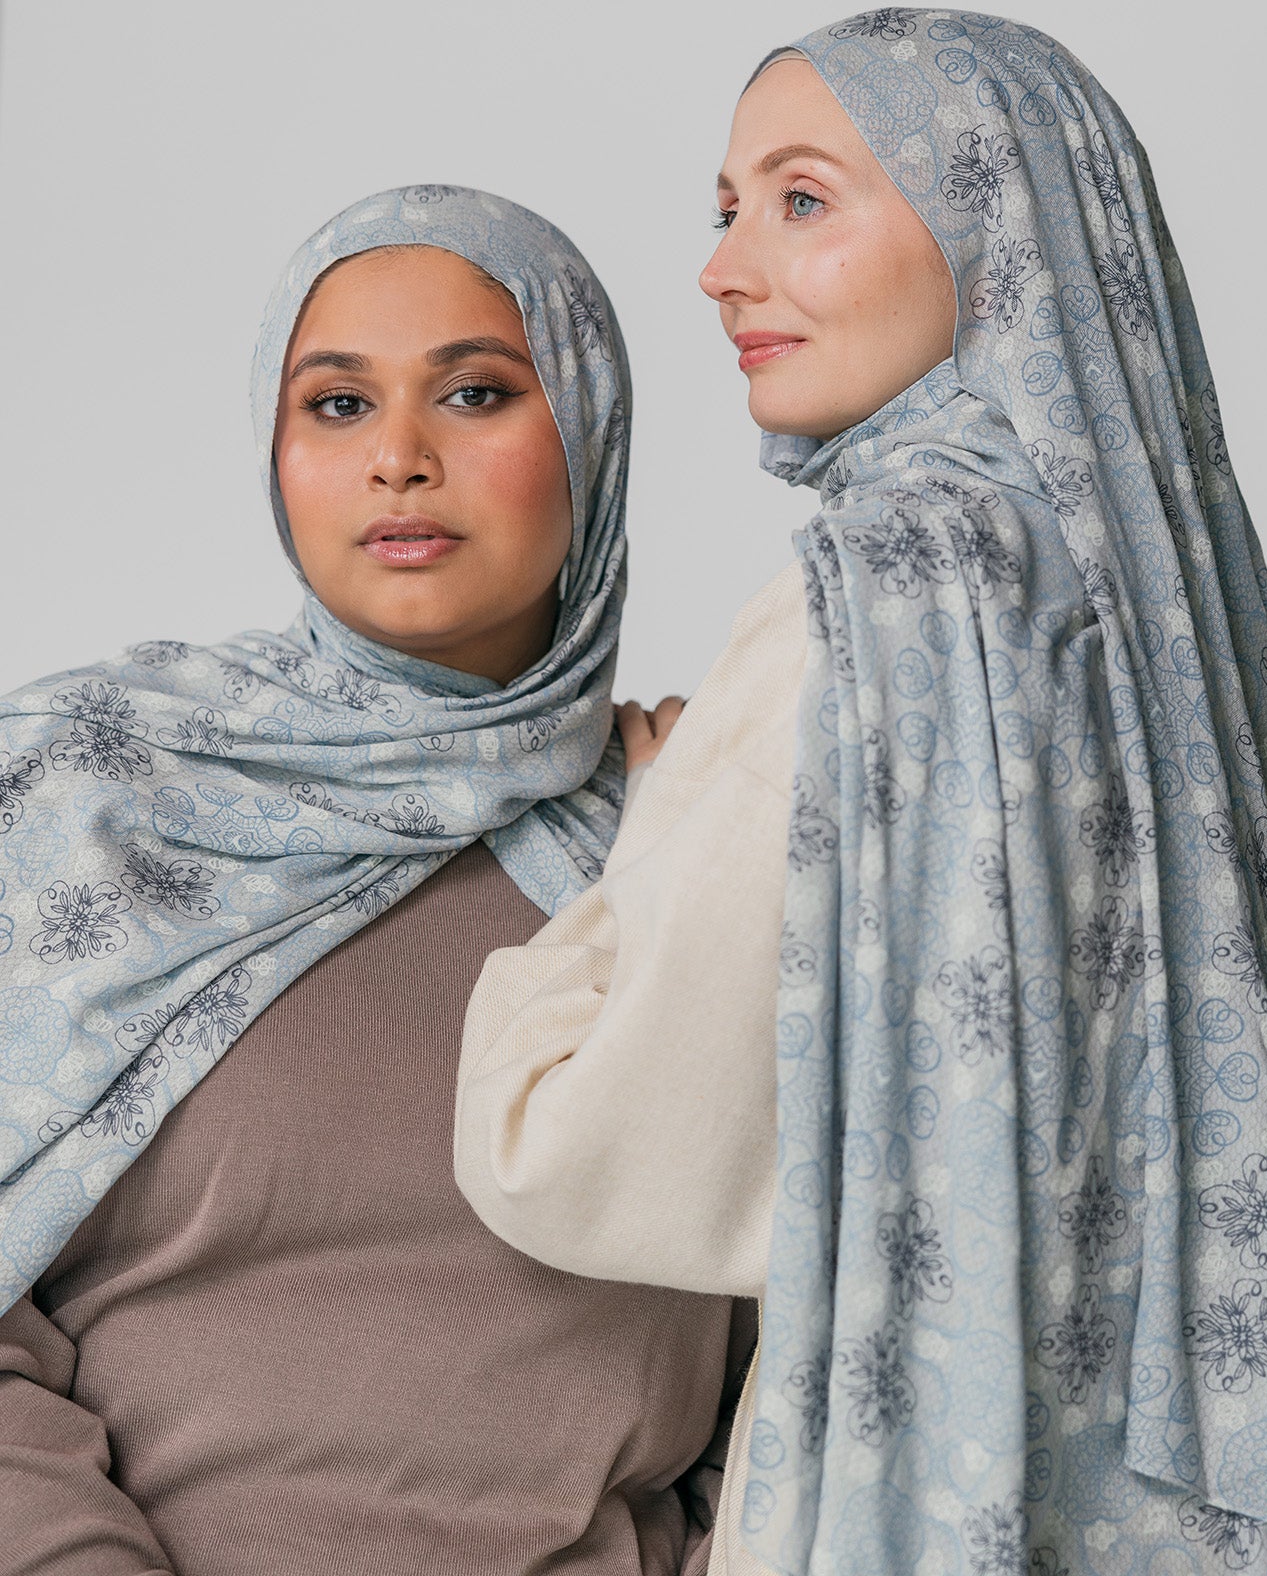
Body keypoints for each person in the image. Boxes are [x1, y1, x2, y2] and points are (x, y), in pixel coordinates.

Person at [455, 15, 1267, 1575]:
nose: (722, 269)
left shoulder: (869, 604)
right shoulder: (1157, 604)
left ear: (992, 227)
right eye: (725, 207)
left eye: (801, 200)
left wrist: (607, 880)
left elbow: (575, 1149)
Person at [0, 184, 751, 1576]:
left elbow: (812, 1377)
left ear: (587, 432)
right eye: (337, 405)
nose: (399, 458)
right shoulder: (96, 797)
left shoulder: (695, 848)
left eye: (473, 395)